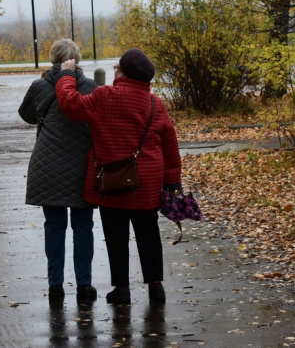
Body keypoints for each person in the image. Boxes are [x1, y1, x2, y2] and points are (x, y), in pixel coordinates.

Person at [57, 48, 182, 304]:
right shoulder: (155, 103)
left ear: (125, 72)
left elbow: (71, 104)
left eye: (118, 66)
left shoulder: (104, 96)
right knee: (148, 234)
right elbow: (170, 143)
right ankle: (156, 286)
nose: (114, 69)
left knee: (116, 237)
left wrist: (67, 75)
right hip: (147, 183)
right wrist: (173, 180)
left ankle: (122, 290)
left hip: (112, 181)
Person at [18, 39, 99, 302]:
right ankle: (85, 286)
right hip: (81, 168)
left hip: (47, 167)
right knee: (83, 225)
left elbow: (27, 115)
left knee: (54, 226)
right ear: (77, 59)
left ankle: (55, 287)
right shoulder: (90, 88)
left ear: (54, 59)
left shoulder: (40, 86)